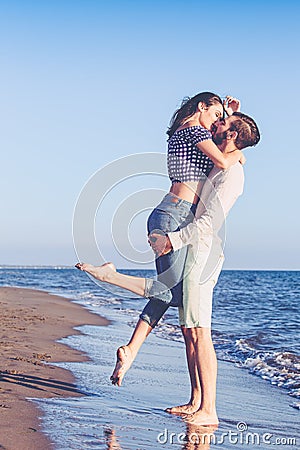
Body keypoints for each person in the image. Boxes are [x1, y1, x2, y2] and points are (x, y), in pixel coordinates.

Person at [76, 112, 260, 424]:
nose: (214, 125)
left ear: (229, 137)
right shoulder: (224, 162)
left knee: (200, 331)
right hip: (193, 248)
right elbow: (235, 150)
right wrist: (233, 115)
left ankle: (209, 410)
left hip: (201, 252)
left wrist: (173, 241)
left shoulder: (231, 175)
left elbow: (208, 222)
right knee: (190, 331)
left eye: (221, 124)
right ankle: (195, 400)